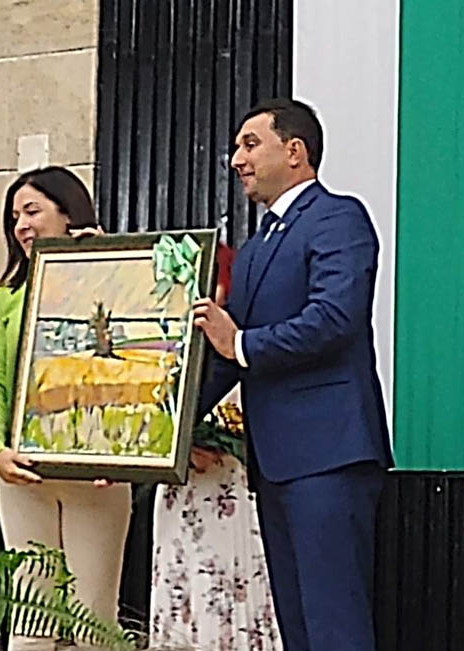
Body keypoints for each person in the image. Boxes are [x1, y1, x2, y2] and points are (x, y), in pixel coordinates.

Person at [192, 99, 393, 650]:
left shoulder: (339, 218)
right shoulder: (256, 248)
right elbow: (225, 356)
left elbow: (334, 318)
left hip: (329, 455)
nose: (236, 159)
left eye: (250, 144)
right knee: (299, 629)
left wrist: (241, 342)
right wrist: (158, 434)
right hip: (275, 464)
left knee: (335, 626)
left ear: (295, 151)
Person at [0, 166, 132, 651]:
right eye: (14, 217)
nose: (21, 225)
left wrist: (106, 263)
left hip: (96, 477)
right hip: (25, 477)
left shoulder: (118, 279)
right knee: (30, 620)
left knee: (94, 622)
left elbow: (136, 363)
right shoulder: (8, 297)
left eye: (32, 211)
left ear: (68, 214)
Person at [150, 242, 282, 651]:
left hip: (233, 494)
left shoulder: (243, 344)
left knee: (229, 594)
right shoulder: (165, 352)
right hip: (179, 496)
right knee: (183, 594)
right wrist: (173, 445)